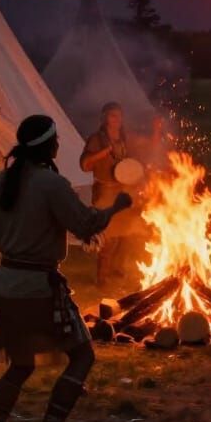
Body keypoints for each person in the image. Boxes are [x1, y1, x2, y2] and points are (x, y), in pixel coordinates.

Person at [0, 114, 133, 422]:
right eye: (56, 140)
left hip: (6, 284)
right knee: (82, 356)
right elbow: (85, 224)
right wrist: (116, 207)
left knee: (20, 364)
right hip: (38, 288)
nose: (59, 145)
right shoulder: (51, 184)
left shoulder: (1, 180)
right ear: (48, 146)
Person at [79, 103, 164, 287]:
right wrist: (103, 153)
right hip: (105, 191)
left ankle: (117, 268)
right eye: (112, 116)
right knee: (108, 235)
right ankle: (102, 276)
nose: (117, 120)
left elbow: (151, 146)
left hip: (125, 191)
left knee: (126, 233)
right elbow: (85, 165)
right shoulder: (96, 140)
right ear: (105, 118)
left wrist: (156, 129)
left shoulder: (127, 137)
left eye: (119, 116)